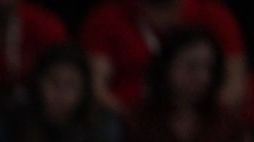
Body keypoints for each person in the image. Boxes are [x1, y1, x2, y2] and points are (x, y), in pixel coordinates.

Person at [80, 0, 248, 115]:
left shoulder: (213, 15)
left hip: (200, 121)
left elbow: (235, 85)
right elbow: (96, 88)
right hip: (126, 120)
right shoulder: (108, 17)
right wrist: (134, 121)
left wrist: (206, 123)